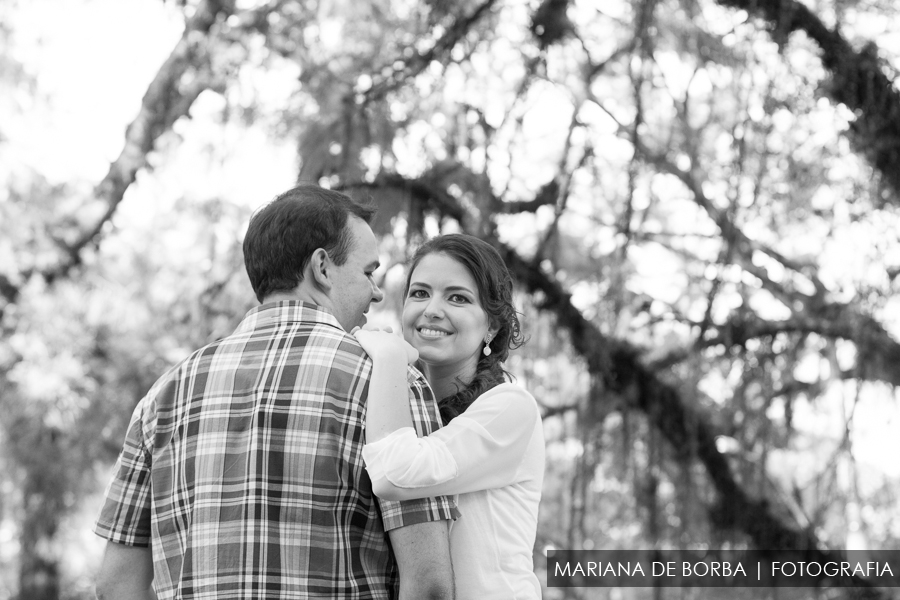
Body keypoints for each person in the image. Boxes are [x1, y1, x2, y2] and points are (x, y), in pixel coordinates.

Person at [93, 184, 458, 600]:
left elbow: (116, 583)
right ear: (322, 268)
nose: (376, 292)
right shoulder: (389, 383)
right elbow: (429, 583)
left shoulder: (163, 397)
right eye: (367, 272)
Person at [353, 234, 545, 600]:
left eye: (457, 298)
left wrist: (389, 357)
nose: (432, 309)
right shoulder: (393, 402)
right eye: (420, 293)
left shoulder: (510, 408)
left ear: (491, 325)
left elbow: (397, 472)